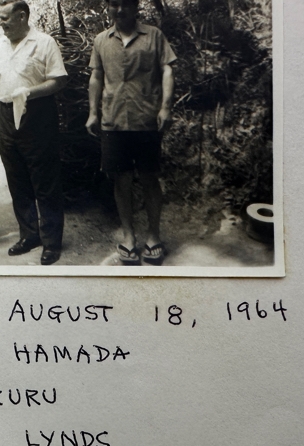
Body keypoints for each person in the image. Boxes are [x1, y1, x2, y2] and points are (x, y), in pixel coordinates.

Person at [85, 0, 175, 265]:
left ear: (136, 7)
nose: (120, 10)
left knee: (149, 178)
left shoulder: (154, 36)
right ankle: (128, 237)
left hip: (146, 120)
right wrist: (93, 113)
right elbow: (96, 77)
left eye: (125, 4)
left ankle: (154, 236)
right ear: (108, 7)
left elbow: (168, 69)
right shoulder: (101, 40)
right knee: (121, 180)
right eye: (114, 4)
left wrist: (166, 107)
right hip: (113, 121)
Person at [0, 1, 68, 265]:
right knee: (17, 178)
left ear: (22, 16)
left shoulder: (44, 43)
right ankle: (30, 234)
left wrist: (30, 92)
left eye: (5, 18)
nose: (1, 23)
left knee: (45, 179)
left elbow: (59, 80)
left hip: (37, 113)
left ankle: (52, 242)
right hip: (6, 116)